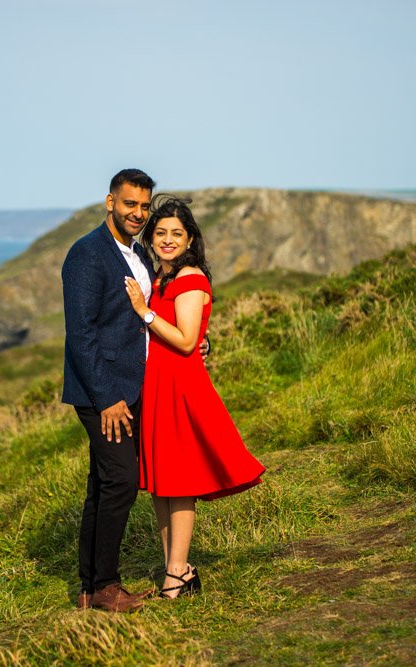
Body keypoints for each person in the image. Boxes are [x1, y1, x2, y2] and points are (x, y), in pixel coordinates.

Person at [124, 196, 265, 599]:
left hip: (180, 387)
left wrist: (144, 312)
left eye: (177, 234)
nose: (168, 240)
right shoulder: (161, 277)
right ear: (152, 237)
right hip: (158, 386)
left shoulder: (189, 278)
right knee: (161, 483)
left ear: (189, 239)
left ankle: (175, 576)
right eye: (161, 233)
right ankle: (179, 568)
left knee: (180, 482)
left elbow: (186, 341)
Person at [61, 168, 158, 613]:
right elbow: (81, 334)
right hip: (104, 394)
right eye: (129, 204)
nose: (138, 213)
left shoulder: (139, 255)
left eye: (143, 205)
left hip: (132, 387)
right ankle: (105, 585)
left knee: (102, 485)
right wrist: (107, 398)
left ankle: (88, 588)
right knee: (121, 480)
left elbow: (139, 319)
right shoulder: (87, 254)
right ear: (109, 202)